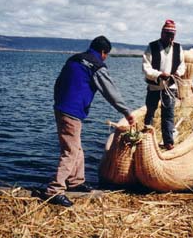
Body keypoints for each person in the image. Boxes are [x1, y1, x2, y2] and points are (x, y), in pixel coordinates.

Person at [48, 35, 135, 207]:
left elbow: (58, 83)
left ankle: (75, 181)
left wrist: (59, 102)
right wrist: (126, 112)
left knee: (76, 147)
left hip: (61, 108)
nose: (105, 57)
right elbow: (111, 92)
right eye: (106, 55)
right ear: (103, 53)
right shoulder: (96, 66)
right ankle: (54, 190)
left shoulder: (74, 60)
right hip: (71, 112)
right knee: (70, 152)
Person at [142, 19, 186, 150]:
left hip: (170, 88)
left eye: (172, 34)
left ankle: (168, 141)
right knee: (150, 111)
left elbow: (182, 65)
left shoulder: (178, 48)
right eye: (167, 34)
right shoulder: (152, 47)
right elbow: (146, 67)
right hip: (154, 87)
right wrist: (160, 74)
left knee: (168, 114)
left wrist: (177, 73)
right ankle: (146, 138)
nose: (170, 37)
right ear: (162, 33)